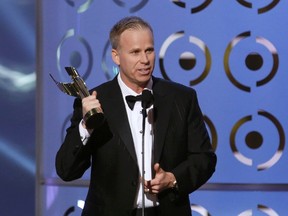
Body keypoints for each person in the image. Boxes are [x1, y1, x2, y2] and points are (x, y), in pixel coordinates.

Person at [56, 16, 217, 216]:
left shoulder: (182, 98)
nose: (145, 60)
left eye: (149, 50)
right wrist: (86, 126)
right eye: (135, 52)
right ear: (116, 56)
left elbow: (204, 159)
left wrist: (173, 178)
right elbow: (66, 170)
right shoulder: (95, 100)